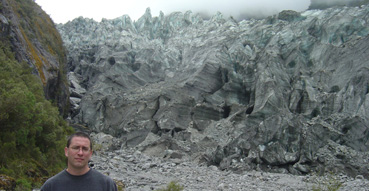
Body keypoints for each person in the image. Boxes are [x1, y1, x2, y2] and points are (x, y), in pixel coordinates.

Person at [41, 132, 117, 191]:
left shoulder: (106, 185)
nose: (80, 153)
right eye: (76, 148)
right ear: (66, 151)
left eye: (84, 149)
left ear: (90, 153)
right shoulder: (51, 186)